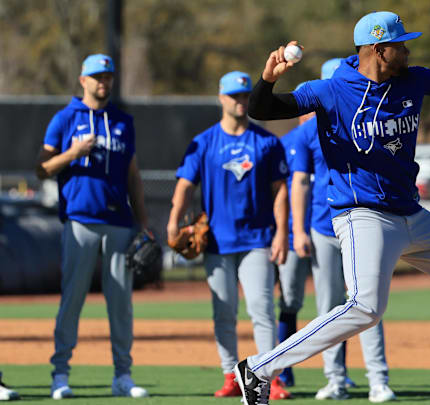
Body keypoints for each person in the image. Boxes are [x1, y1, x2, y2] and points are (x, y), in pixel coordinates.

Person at [234, 11, 430, 405]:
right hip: (361, 213)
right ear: (379, 50)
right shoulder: (330, 90)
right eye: (401, 44)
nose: (409, 50)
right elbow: (264, 109)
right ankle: (259, 369)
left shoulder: (413, 79)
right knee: (365, 308)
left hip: (409, 212)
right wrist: (269, 78)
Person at [166, 71, 291, 400]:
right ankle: (230, 374)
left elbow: (281, 192)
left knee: (262, 309)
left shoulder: (266, 143)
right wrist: (173, 223)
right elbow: (184, 185)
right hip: (217, 242)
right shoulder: (206, 142)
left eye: (245, 96)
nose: (240, 101)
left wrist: (281, 234)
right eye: (234, 96)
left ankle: (268, 376)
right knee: (223, 311)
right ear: (221, 98)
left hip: (257, 239)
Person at [35, 54, 150, 400]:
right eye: (97, 76)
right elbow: (42, 169)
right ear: (82, 80)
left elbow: (132, 174)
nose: (104, 82)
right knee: (73, 299)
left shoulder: (122, 121)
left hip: (117, 221)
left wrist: (143, 223)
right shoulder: (65, 118)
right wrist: (72, 153)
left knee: (121, 304)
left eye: (108, 76)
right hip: (80, 220)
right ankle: (60, 374)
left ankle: (122, 375)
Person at [289, 59, 396, 403]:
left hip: (360, 222)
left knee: (367, 305)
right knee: (328, 307)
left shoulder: (362, 120)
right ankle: (335, 378)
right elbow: (299, 183)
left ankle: (377, 379)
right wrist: (299, 229)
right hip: (322, 228)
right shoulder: (306, 132)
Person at [275, 81, 314, 389]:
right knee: (290, 302)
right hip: (292, 236)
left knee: (340, 304)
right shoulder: (287, 143)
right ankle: (284, 370)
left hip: (330, 231)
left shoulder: (336, 141)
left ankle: (336, 373)